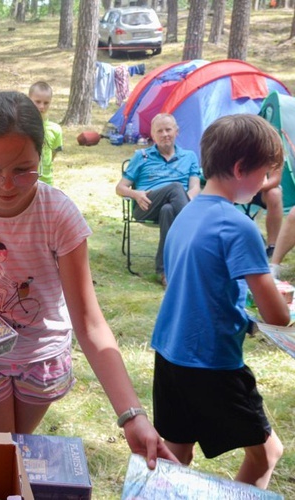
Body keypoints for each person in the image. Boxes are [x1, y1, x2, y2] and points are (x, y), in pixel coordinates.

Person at [0, 91, 175, 468]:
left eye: (24, 169)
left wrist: (132, 414)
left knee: (16, 455)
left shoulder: (59, 215)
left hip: (39, 364)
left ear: (42, 156)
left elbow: (90, 323)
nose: (7, 185)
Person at [151, 114, 289, 489]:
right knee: (266, 453)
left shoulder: (187, 213)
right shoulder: (238, 225)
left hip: (170, 351)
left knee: (176, 453)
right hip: (211, 361)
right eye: (263, 175)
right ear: (241, 167)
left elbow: (201, 286)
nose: (265, 185)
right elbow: (276, 314)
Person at [115, 113, 201, 286]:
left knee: (168, 209)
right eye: (159, 131)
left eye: (168, 129)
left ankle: (164, 272)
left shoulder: (189, 156)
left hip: (175, 207)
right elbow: (120, 188)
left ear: (177, 131)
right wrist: (136, 194)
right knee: (176, 188)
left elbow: (196, 187)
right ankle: (196, 236)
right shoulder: (142, 156)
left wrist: (188, 199)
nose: (164, 134)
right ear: (153, 135)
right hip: (146, 205)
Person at [28, 81, 62, 185]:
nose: (42, 106)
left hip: (46, 182)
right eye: (37, 102)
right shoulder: (21, 126)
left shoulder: (55, 129)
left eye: (46, 103)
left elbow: (53, 155)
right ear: (29, 100)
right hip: (25, 181)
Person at [247, 168, 283, 259]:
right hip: (231, 186)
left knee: (274, 193)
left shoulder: (274, 153)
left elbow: (275, 179)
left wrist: (251, 189)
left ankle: (272, 246)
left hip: (259, 189)